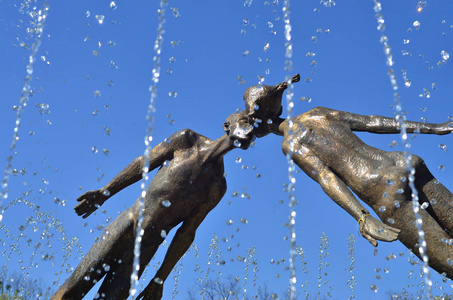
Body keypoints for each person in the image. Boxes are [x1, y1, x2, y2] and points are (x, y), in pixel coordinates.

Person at [244, 76, 453, 279]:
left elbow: (326, 178)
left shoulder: (290, 143)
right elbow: (372, 122)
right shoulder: (318, 113)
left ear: (260, 126)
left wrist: (362, 217)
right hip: (403, 161)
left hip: (381, 186)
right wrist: (433, 128)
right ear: (278, 109)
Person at [51, 111, 256, 300]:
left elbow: (186, 233)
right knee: (72, 289)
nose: (251, 126)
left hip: (146, 248)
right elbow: (142, 164)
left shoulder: (217, 185)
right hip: (127, 225)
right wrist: (106, 191)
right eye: (246, 120)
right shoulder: (186, 140)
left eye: (254, 124)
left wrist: (160, 279)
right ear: (227, 125)